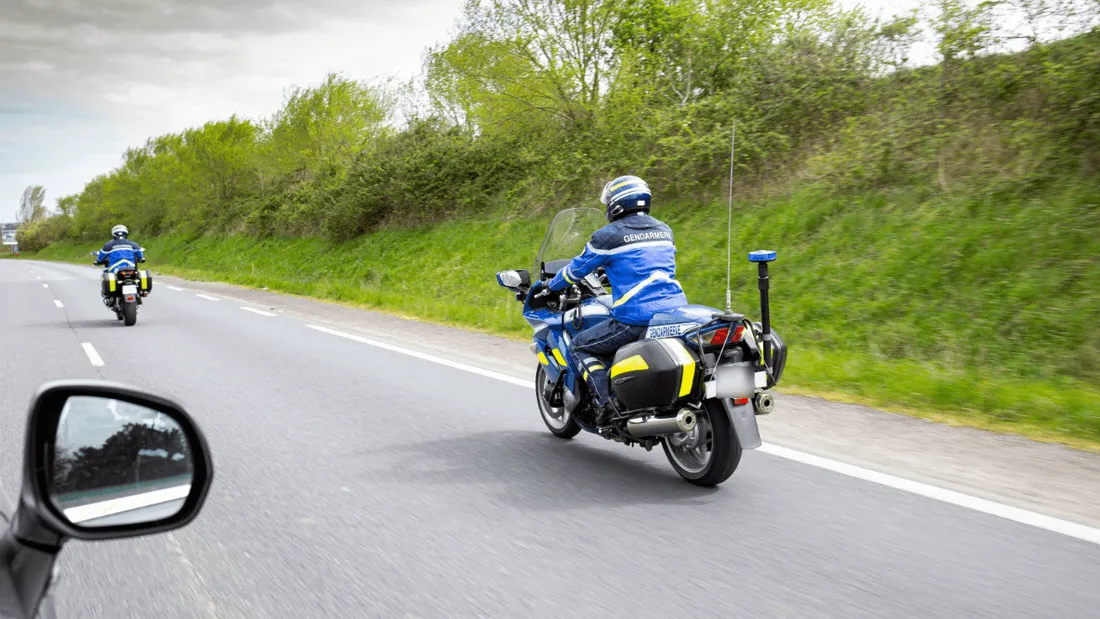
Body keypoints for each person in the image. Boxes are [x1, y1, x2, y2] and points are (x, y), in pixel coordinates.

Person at [528, 175, 688, 425]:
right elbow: (645, 264)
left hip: (635, 318)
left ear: (616, 204)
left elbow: (575, 270)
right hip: (675, 310)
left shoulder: (608, 236)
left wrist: (551, 286)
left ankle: (605, 404)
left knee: (580, 346)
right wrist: (611, 270)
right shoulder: (663, 230)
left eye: (609, 202)